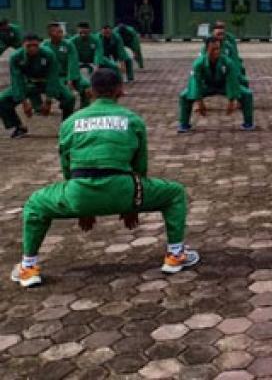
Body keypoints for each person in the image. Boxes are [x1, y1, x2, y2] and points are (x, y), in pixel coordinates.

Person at [10, 68, 199, 288]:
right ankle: (175, 255)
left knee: (35, 204)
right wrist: (133, 205)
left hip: (79, 193)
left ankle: (28, 267)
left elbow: (67, 167)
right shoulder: (132, 119)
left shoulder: (71, 122)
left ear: (90, 91)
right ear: (121, 90)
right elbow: (140, 167)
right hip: (126, 191)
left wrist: (82, 207)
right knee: (174, 192)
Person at [1, 33, 76, 139]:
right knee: (3, 99)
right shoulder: (16, 57)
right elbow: (17, 80)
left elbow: (53, 77)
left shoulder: (48, 54)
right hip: (29, 83)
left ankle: (66, 127)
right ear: (23, 45)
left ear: (40, 45)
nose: (32, 48)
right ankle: (18, 127)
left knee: (69, 98)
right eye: (29, 46)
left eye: (35, 45)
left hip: (47, 82)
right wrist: (24, 102)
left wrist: (48, 100)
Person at [178, 37, 254, 133]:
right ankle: (184, 124)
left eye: (218, 49)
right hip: (206, 86)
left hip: (223, 86)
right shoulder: (198, 63)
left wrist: (232, 100)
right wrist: (199, 101)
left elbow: (232, 80)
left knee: (247, 94)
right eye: (213, 49)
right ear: (206, 50)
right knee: (184, 95)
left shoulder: (227, 62)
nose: (216, 52)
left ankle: (248, 124)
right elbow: (195, 82)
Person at [43, 22, 90, 109]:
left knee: (85, 85)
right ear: (50, 34)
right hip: (55, 77)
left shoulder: (68, 44)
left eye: (61, 32)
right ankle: (62, 103)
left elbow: (73, 62)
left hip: (71, 75)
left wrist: (70, 79)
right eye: (58, 32)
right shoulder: (45, 45)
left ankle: (85, 107)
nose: (61, 34)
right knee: (63, 92)